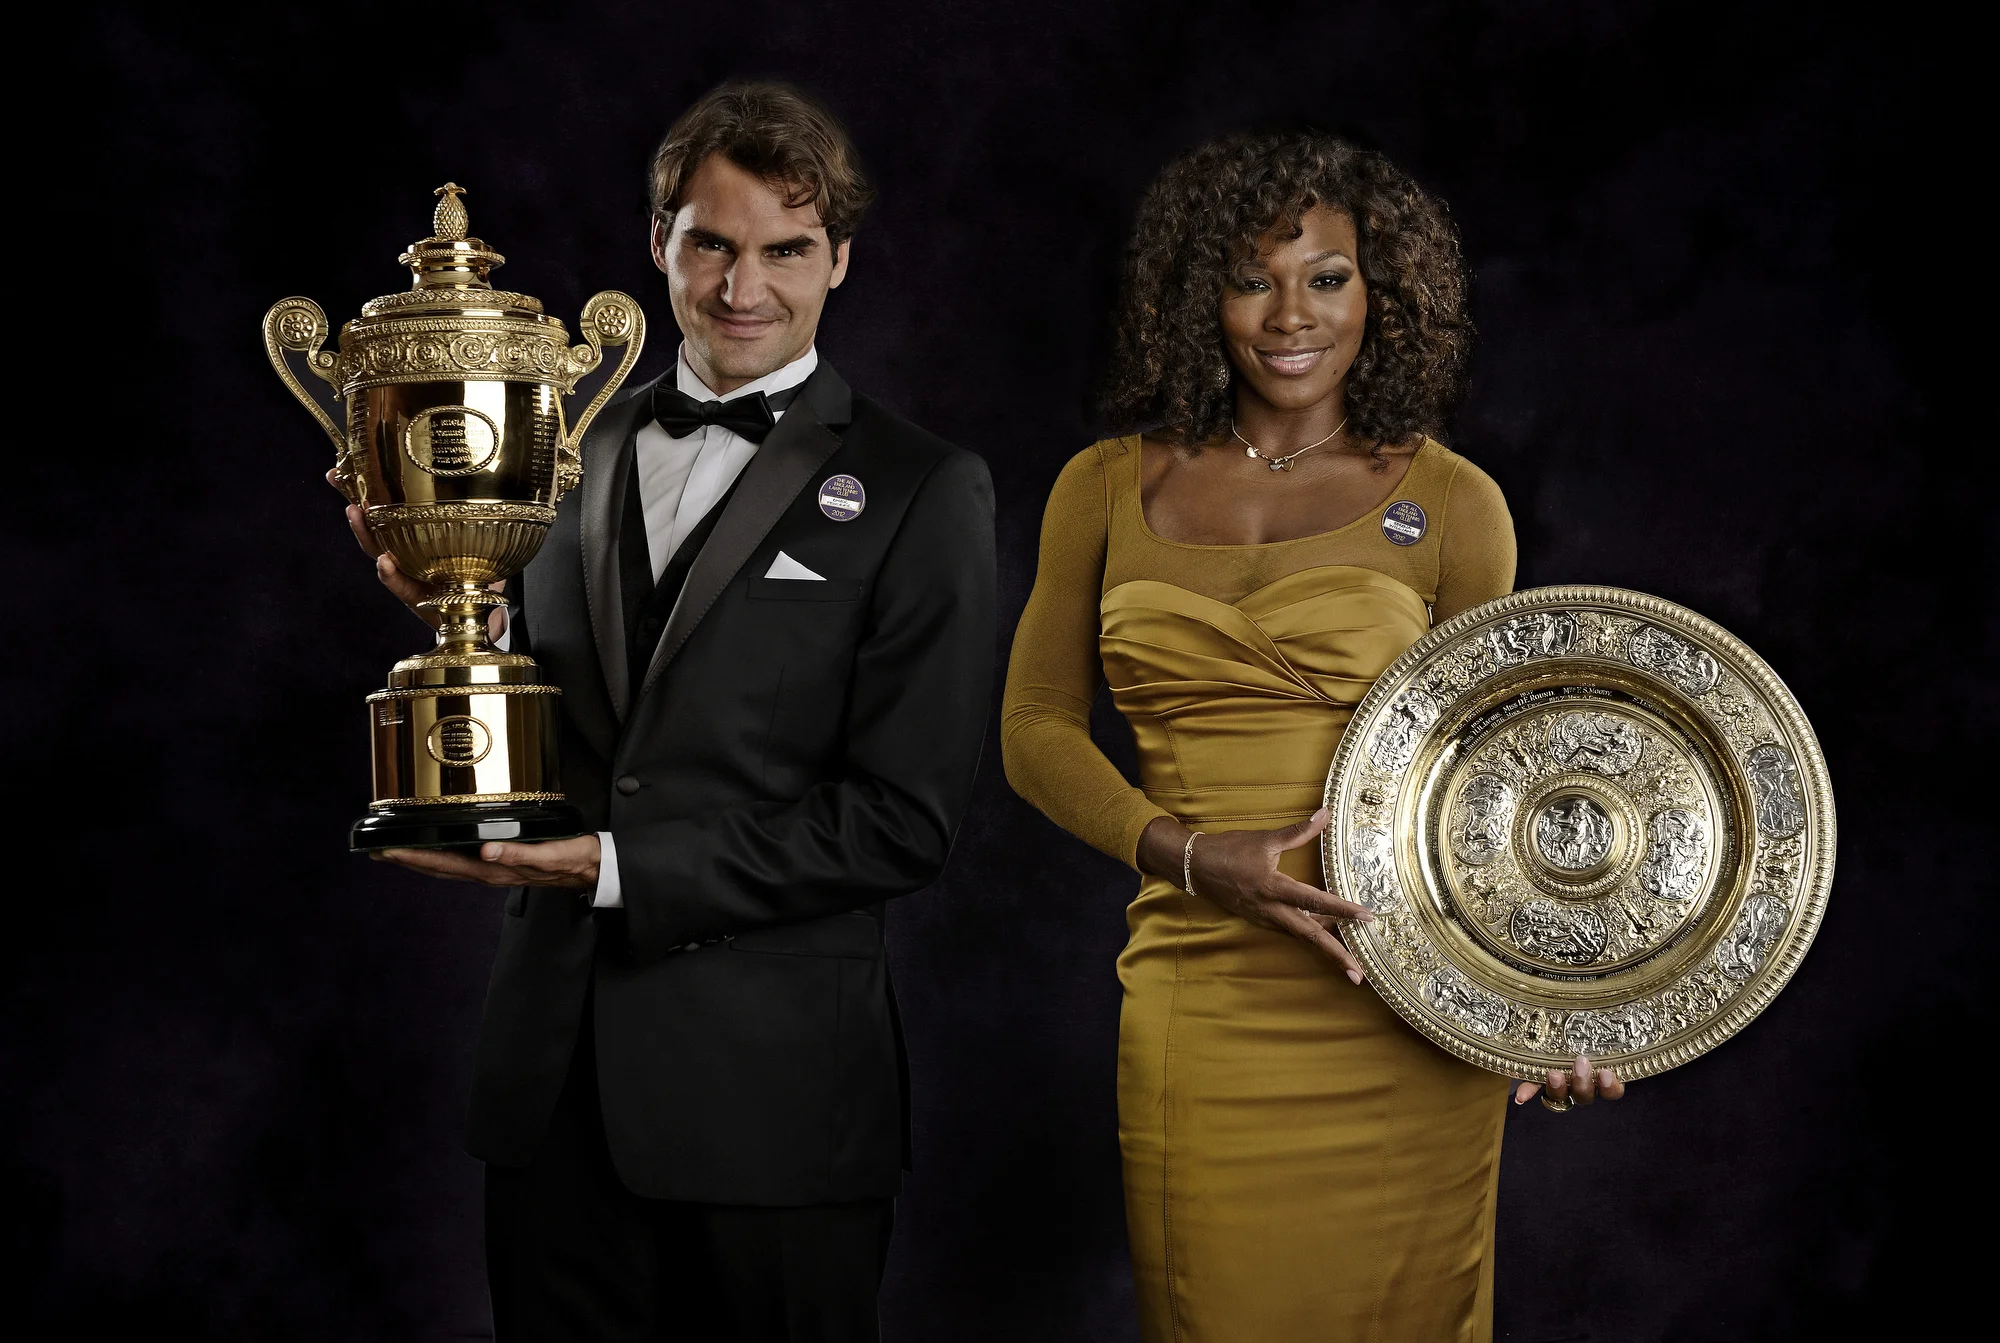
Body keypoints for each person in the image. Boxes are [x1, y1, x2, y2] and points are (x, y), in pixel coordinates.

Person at [332, 80, 995, 1342]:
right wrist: (451, 605)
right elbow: (564, 697)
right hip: (551, 1093)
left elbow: (900, 824)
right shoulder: (552, 451)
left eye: (785, 250)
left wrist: (614, 865)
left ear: (839, 260)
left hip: (778, 1109)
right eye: (712, 244)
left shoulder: (924, 488)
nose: (744, 288)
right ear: (658, 246)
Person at [1000, 131, 1621, 1342]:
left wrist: (1554, 1012)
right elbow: (1032, 730)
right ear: (1198, 298)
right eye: (1251, 277)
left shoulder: (1451, 501)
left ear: (1379, 293)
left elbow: (1497, 779)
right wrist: (1180, 849)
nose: (1291, 313)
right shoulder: (1101, 486)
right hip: (1199, 1002)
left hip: (1403, 1008)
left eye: (1326, 276)